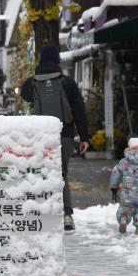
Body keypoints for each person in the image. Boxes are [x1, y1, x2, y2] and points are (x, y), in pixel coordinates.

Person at [21, 45, 89, 234]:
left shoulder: (31, 83)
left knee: (41, 172)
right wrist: (84, 137)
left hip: (41, 134)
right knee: (62, 174)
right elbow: (79, 110)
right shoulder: (67, 83)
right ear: (57, 61)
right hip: (64, 133)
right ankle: (67, 215)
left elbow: (25, 96)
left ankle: (43, 214)